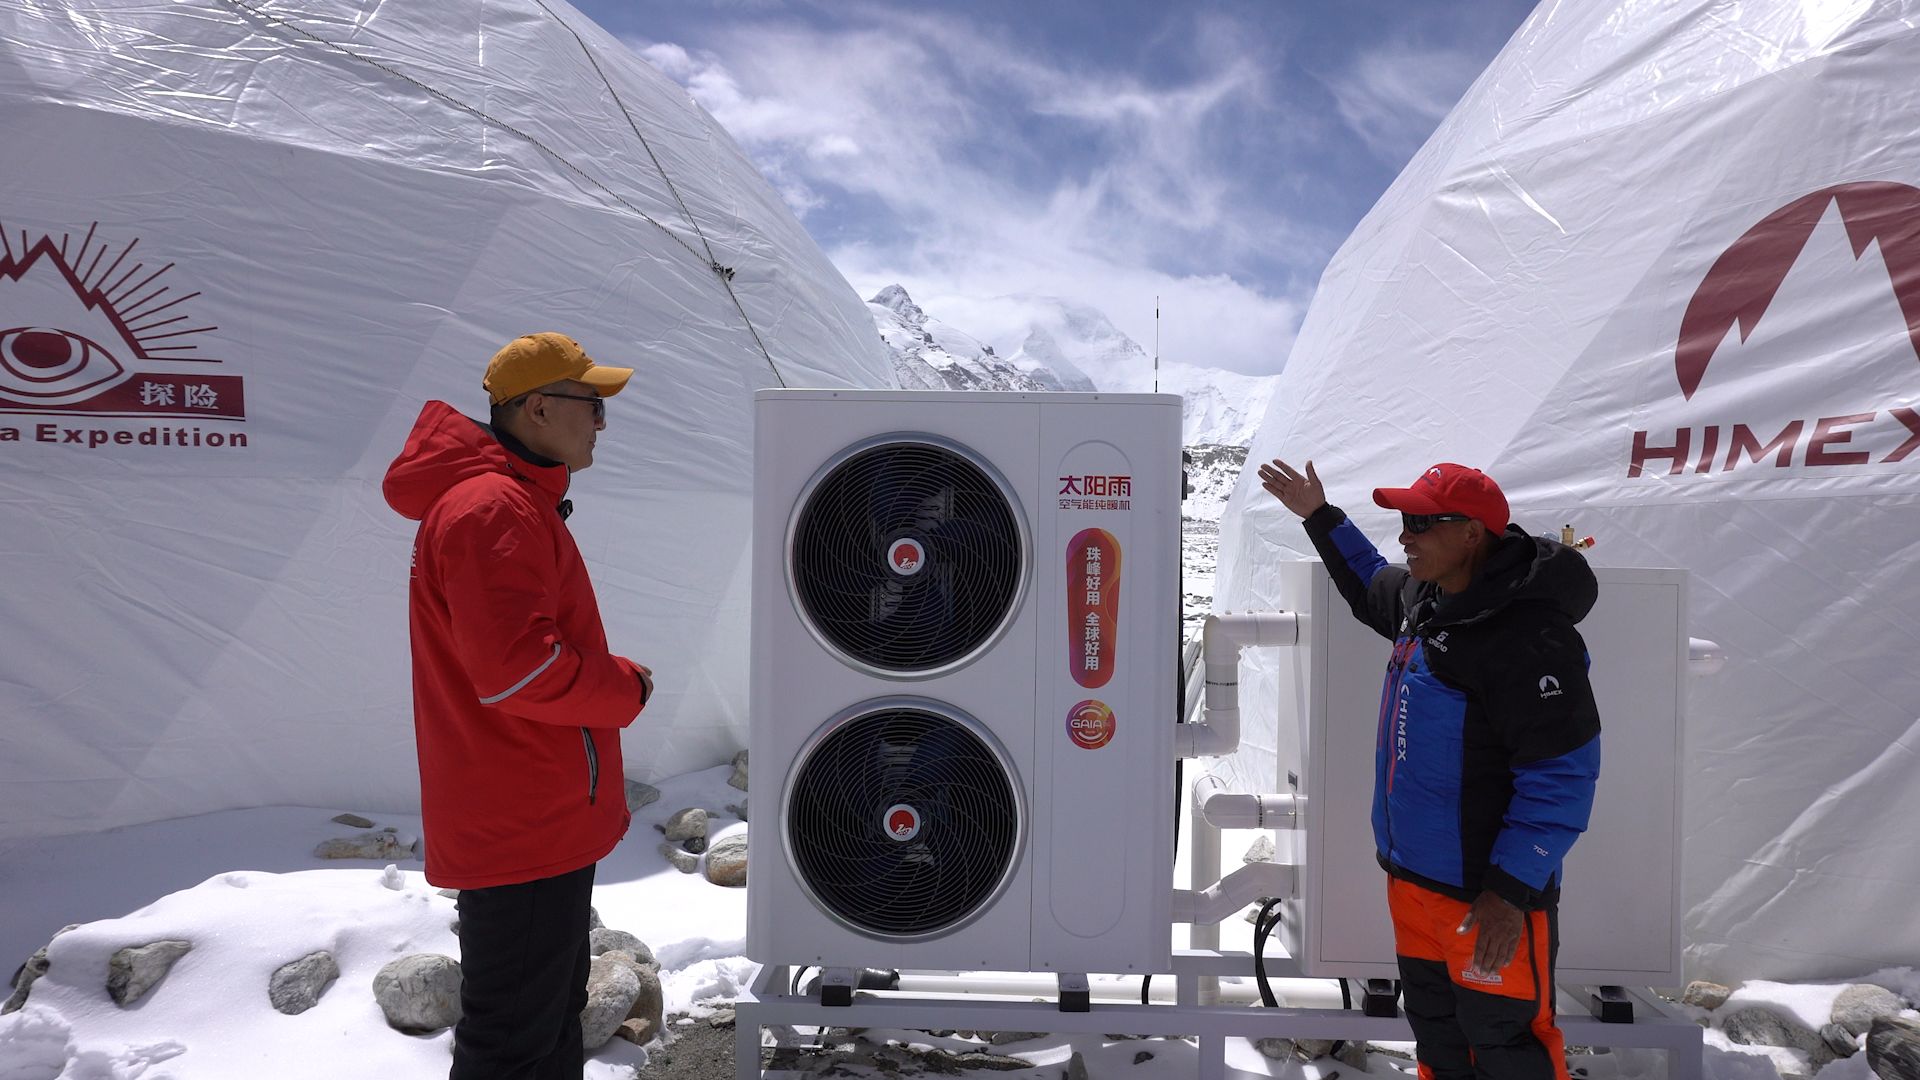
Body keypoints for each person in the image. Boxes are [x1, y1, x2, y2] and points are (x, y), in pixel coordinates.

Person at [1259, 458, 1600, 1080]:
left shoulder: (1529, 638)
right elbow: (1368, 579)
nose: (1405, 536)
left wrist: (1509, 893)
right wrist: (1320, 516)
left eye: (1421, 523)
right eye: (1404, 521)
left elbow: (1561, 778)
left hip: (1485, 897)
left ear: (1471, 533)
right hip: (1415, 885)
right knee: (1440, 1040)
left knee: (1505, 1047)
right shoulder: (1429, 602)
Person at [383, 331, 655, 1079]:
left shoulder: (510, 500)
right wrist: (625, 686)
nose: (601, 422)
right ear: (537, 408)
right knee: (512, 1042)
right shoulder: (492, 507)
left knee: (545, 1019)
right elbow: (518, 672)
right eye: (592, 404)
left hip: (530, 811)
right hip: (521, 817)